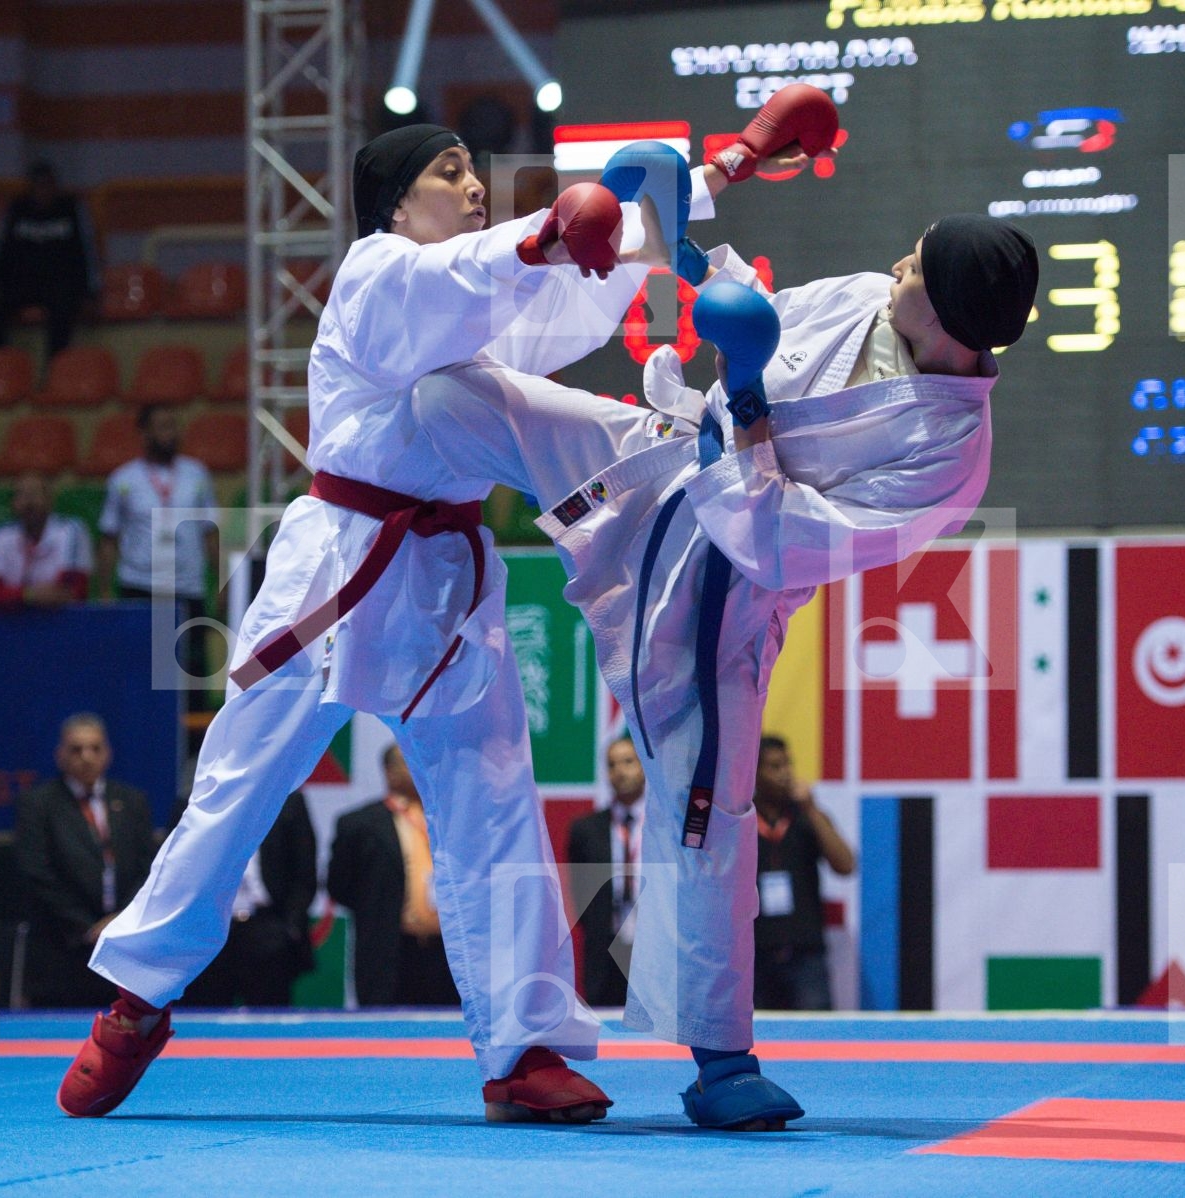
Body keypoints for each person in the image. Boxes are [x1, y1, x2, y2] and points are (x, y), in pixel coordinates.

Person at [57, 121, 714, 1122]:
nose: (471, 186)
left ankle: (524, 1050)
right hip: (333, 566)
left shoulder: (480, 305)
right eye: (447, 173)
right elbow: (479, 274)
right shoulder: (376, 275)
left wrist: (703, 181)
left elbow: (563, 297)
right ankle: (138, 999)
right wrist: (544, 238)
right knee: (235, 789)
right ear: (396, 207)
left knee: (496, 805)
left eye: (472, 171)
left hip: (448, 577)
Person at [411, 189, 1036, 1127]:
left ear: (945, 314)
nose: (897, 263)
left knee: (712, 809)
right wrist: (695, 251)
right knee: (453, 396)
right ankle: (385, 502)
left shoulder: (949, 453)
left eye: (916, 263)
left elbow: (783, 540)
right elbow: (763, 323)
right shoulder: (872, 295)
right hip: (658, 461)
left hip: (728, 597)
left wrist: (745, 396)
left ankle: (720, 1059)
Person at [12, 715, 155, 1008]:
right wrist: (88, 927)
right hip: (61, 949)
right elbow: (36, 874)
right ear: (60, 755)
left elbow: (148, 869)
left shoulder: (132, 802)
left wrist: (119, 922)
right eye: (76, 750)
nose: (86, 757)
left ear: (108, 754)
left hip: (122, 950)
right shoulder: (38, 805)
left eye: (94, 748)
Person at [98, 405, 218, 704]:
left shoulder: (197, 474)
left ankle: (193, 748)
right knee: (141, 670)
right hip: (140, 585)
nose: (170, 433)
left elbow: (210, 531)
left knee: (192, 673)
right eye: (162, 426)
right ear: (145, 432)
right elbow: (109, 537)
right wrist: (104, 590)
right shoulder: (122, 479)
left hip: (187, 586)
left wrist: (220, 582)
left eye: (173, 425)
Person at [327, 744, 459, 1007]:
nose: (421, 768)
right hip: (389, 950)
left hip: (447, 952)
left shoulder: (451, 819)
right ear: (390, 772)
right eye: (410, 761)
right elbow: (340, 887)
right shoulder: (360, 824)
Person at [182, 791, 316, 1009]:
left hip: (268, 931)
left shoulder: (286, 798)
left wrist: (289, 928)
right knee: (207, 1021)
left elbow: (305, 872)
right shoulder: (198, 798)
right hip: (210, 929)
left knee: (270, 1026)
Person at [751, 735, 853, 1011]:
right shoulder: (740, 819)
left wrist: (811, 809)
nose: (785, 774)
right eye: (774, 767)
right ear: (754, 773)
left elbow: (846, 865)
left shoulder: (808, 817)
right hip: (752, 952)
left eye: (787, 765)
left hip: (805, 952)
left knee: (814, 1038)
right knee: (755, 1037)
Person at [566, 736, 647, 1008]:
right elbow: (579, 894)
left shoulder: (665, 827)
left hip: (654, 948)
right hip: (605, 949)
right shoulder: (586, 830)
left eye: (628, 762)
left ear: (644, 766)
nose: (620, 771)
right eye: (612, 765)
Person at [0, 161, 100, 357]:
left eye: (47, 185)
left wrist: (91, 294)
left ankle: (54, 370)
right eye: (38, 185)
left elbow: (88, 254)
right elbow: (2, 253)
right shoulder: (16, 210)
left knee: (63, 307)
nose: (43, 191)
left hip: (60, 285)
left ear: (55, 186)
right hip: (22, 284)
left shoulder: (71, 209)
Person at [0, 473, 92, 609]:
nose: (28, 502)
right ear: (13, 503)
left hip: (62, 622)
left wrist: (7, 595)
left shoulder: (70, 531)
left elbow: (70, 591)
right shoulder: (0, 535)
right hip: (9, 621)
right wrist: (26, 595)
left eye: (34, 494)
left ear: (49, 500)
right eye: (21, 495)